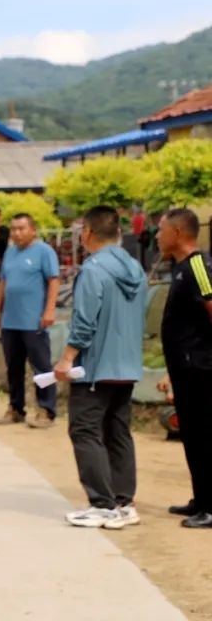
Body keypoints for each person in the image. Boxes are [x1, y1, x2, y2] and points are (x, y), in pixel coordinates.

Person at [54, 206, 146, 530]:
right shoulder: (136, 269)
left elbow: (84, 322)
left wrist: (66, 359)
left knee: (85, 431)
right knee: (118, 432)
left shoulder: (93, 270)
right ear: (118, 233)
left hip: (95, 368)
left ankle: (102, 504)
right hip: (127, 366)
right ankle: (124, 502)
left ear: (87, 233)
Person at [154, 209, 212, 528]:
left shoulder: (199, 266)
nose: (157, 236)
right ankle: (201, 499)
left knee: (206, 435)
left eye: (161, 230)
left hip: (202, 369)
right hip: (185, 370)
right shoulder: (179, 269)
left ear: (177, 232)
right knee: (191, 435)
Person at [0, 213, 60, 428]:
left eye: (21, 229)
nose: (17, 233)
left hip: (34, 321)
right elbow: (3, 282)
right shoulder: (10, 253)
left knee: (41, 367)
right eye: (13, 229)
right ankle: (15, 408)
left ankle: (46, 410)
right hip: (11, 320)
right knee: (14, 367)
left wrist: (49, 311)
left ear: (33, 230)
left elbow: (54, 281)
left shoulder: (44, 252)